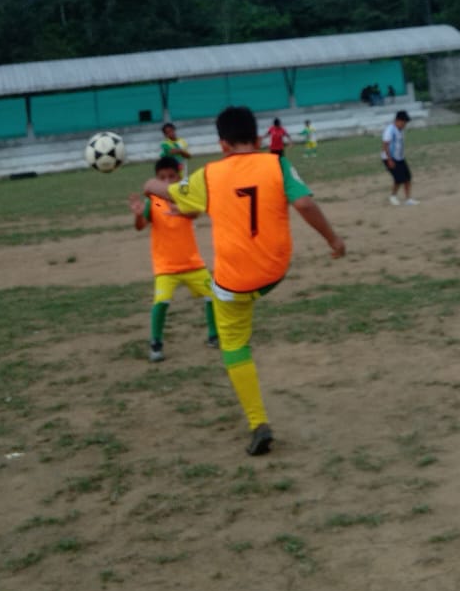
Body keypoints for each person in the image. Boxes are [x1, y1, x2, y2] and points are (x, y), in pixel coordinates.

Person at [144, 104, 345, 456]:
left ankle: (258, 423)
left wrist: (150, 184)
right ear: (258, 138)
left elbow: (169, 193)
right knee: (239, 292)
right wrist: (333, 240)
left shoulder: (209, 175)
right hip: (274, 270)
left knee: (234, 343)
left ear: (222, 144)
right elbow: (304, 205)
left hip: (235, 282)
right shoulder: (277, 163)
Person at [128, 154, 217, 362]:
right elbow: (141, 226)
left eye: (171, 177)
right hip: (166, 267)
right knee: (161, 302)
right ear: (156, 179)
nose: (167, 182)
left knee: (213, 296)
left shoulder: (185, 198)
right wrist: (139, 214)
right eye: (162, 178)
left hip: (193, 264)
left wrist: (181, 210)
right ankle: (156, 342)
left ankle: (214, 336)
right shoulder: (155, 202)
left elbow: (195, 213)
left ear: (179, 177)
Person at [381, 110, 416, 205]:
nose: (405, 124)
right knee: (399, 178)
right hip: (389, 158)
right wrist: (389, 160)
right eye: (404, 122)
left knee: (408, 177)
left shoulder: (401, 130)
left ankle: (408, 199)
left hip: (400, 157)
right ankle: (393, 196)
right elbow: (385, 145)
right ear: (398, 120)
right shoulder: (390, 130)